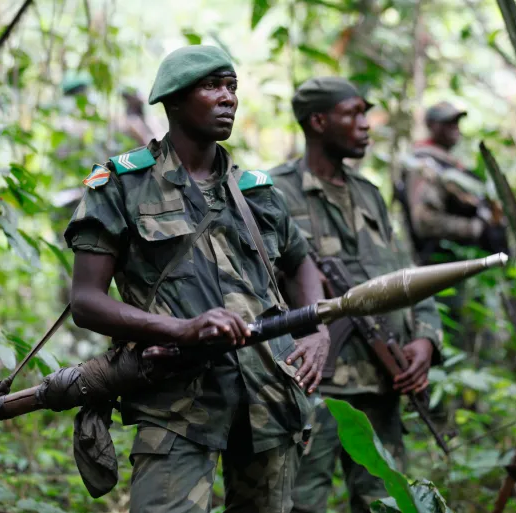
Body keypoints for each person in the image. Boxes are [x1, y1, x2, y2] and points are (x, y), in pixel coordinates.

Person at [64, 45, 330, 513]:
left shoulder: (257, 193)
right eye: (212, 86)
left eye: (232, 87)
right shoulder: (120, 185)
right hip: (176, 406)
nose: (228, 97)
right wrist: (181, 329)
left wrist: (317, 330)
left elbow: (301, 261)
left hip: (268, 398)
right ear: (173, 101)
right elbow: (86, 301)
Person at [269, 77, 443, 512]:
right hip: (308, 389)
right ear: (319, 121)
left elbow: (408, 275)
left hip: (380, 386)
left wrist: (425, 339)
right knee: (300, 505)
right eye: (353, 114)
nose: (365, 125)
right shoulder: (272, 192)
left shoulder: (369, 195)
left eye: (365, 114)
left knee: (385, 503)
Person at [398, 101, 508, 348]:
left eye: (456, 122)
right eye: (447, 123)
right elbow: (425, 221)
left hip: (460, 266)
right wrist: (477, 230)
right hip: (439, 268)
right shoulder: (425, 165)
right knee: (447, 338)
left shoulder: (447, 164)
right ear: (431, 126)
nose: (455, 128)